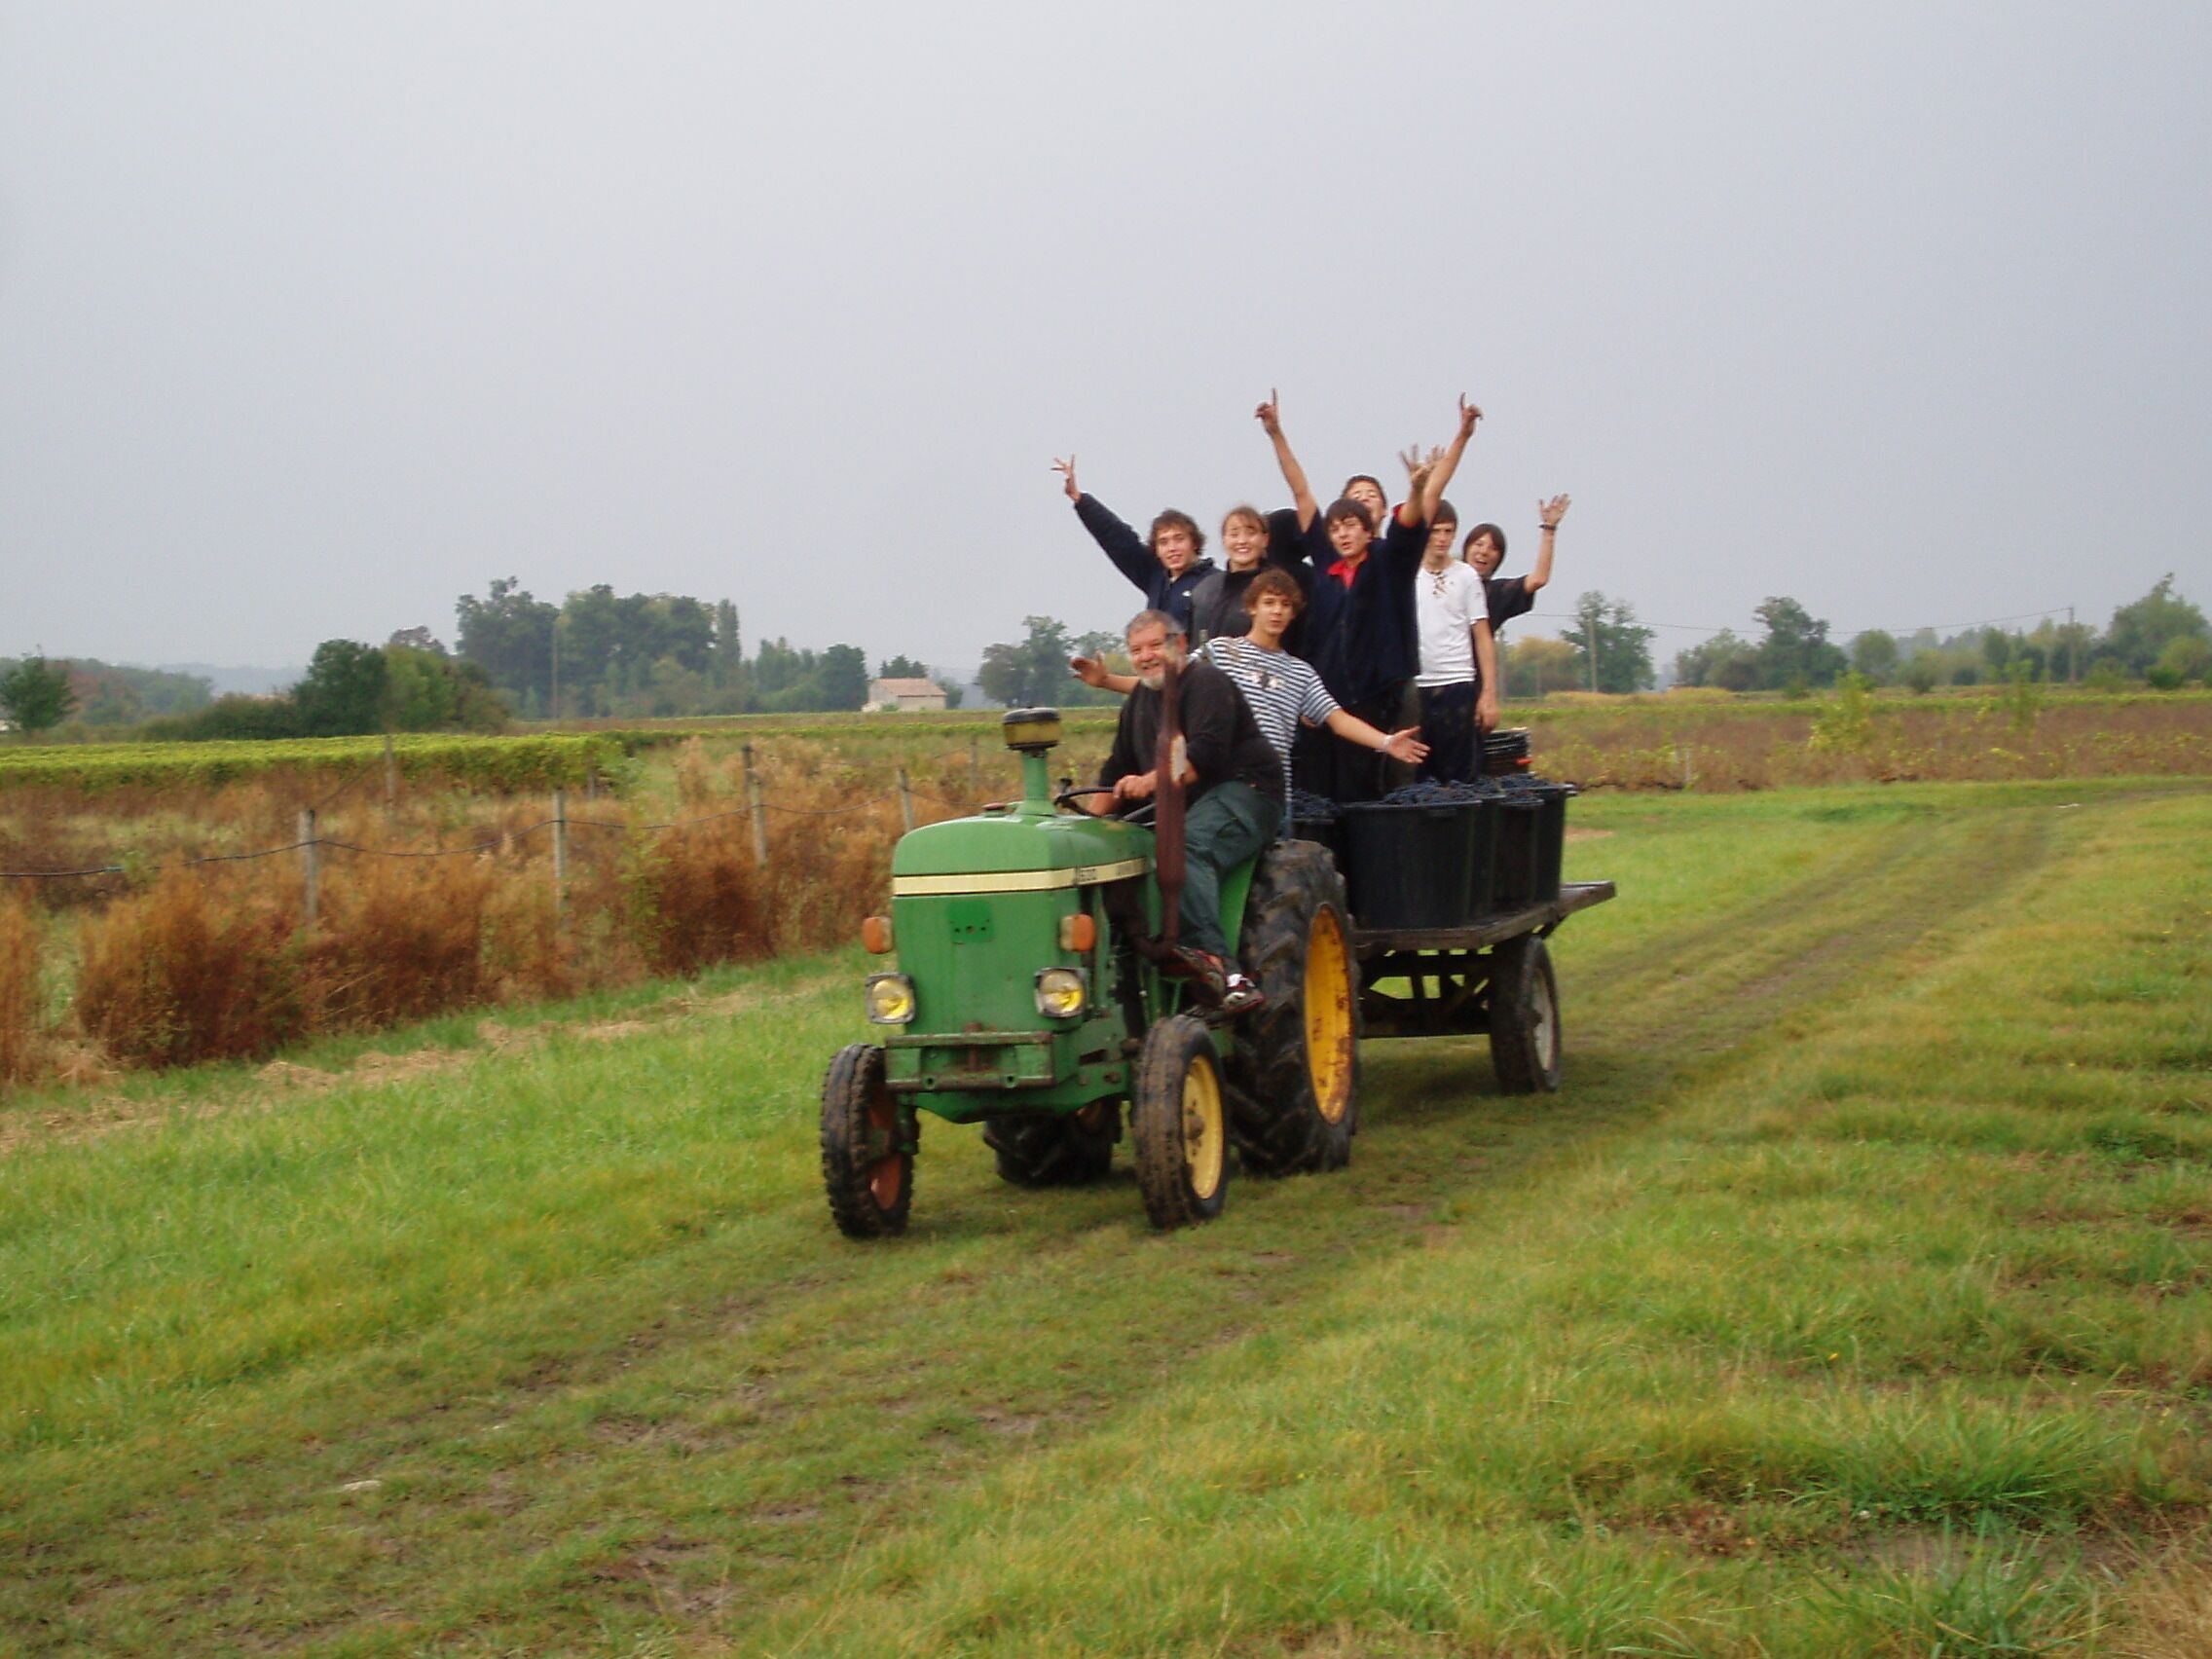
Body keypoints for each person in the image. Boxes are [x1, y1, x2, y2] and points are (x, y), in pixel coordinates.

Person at [1259, 395, 1480, 800]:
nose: (1343, 533)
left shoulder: (1390, 560)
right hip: (1326, 699)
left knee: (1373, 792)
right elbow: (1301, 490)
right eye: (1336, 527)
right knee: (1319, 791)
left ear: (1369, 527)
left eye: (1351, 525)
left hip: (1379, 697)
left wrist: (1456, 443)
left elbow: (1424, 505)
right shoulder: (1325, 563)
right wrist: (1275, 432)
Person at [1075, 568, 1427, 804]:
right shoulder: (1220, 651)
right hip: (1219, 782)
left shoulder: (1301, 672)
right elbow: (1166, 681)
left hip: (1268, 789)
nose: (1277, 611)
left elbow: (1338, 720)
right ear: (1252, 608)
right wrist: (1106, 681)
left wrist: (1386, 742)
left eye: (1285, 605)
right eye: (1269, 603)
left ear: (1293, 613)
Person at [1081, 609, 1283, 1012]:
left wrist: (1149, 781)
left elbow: (1203, 756)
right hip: (1183, 804)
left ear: (1180, 644)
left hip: (1244, 791)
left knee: (1185, 847)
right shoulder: (1138, 702)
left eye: (1155, 645)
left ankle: (1224, 971)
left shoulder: (1207, 682)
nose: (1146, 657)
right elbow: (1115, 771)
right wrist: (1086, 829)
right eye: (1137, 650)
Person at [1052, 456, 1217, 636]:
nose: (1172, 548)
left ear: (1194, 542)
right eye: (1163, 542)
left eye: (1179, 539)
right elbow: (1117, 538)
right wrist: (1079, 499)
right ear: (1156, 550)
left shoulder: (1215, 582)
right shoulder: (1156, 577)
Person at [1413, 497, 1501, 781]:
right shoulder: (1407, 574)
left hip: (1458, 683)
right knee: (1417, 774)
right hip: (1417, 685)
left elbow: (1482, 636)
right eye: (1436, 531)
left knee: (1458, 776)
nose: (1442, 539)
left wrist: (1488, 693)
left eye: (1448, 531)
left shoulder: (1467, 576)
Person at [1465, 495, 1571, 642]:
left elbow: (1539, 579)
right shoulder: (1442, 581)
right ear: (1466, 547)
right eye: (1479, 544)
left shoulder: (1496, 594)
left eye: (1493, 548)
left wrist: (1549, 531)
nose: (1484, 552)